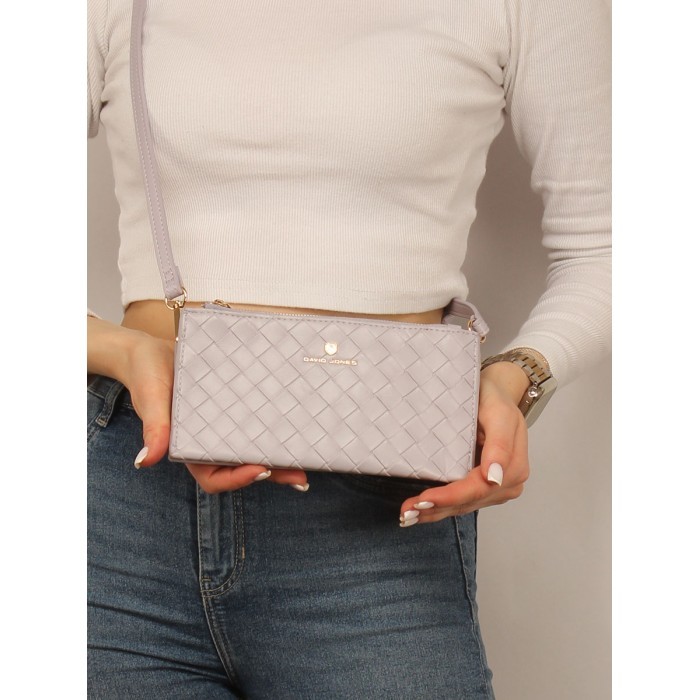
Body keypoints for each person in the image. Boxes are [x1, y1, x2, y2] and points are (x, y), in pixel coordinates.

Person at [87, 0, 611, 697]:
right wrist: (122, 351)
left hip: (381, 510)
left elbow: (608, 245)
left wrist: (519, 376)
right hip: (125, 506)